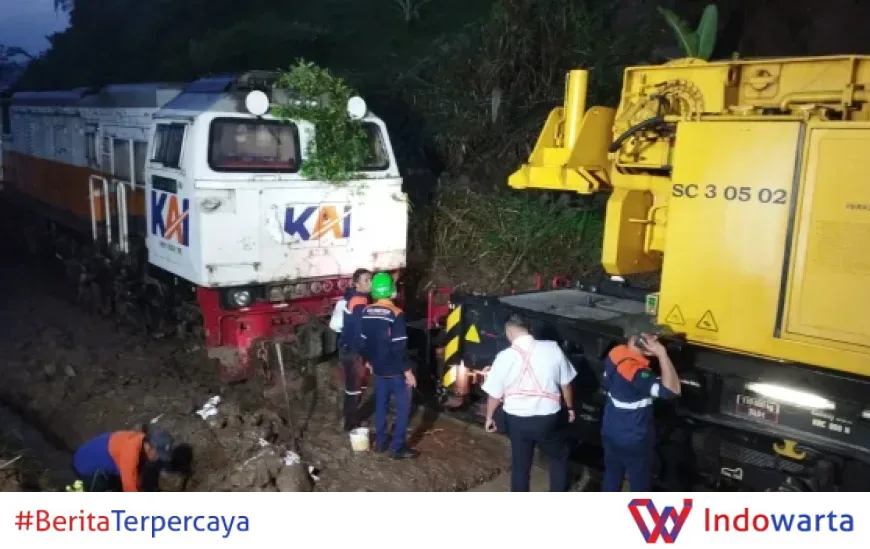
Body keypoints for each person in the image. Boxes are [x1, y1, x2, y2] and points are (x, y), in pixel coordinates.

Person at [481, 313, 577, 492]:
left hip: (516, 420)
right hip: (547, 419)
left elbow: (494, 395)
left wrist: (489, 417)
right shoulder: (553, 349)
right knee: (558, 457)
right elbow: (566, 384)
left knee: (520, 465)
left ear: (509, 333)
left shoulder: (504, 357)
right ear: (530, 329)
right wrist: (570, 408)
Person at [600, 332, 681, 492]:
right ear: (646, 345)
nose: (656, 339)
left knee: (612, 476)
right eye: (653, 338)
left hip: (610, 431)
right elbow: (672, 391)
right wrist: (662, 354)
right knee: (640, 484)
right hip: (634, 440)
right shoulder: (638, 374)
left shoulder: (616, 353)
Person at [358, 272, 419, 459]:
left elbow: (364, 342)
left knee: (381, 405)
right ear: (392, 290)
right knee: (402, 409)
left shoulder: (366, 312)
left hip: (378, 369)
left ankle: (380, 442)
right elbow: (399, 347)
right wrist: (408, 372)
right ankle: (397, 447)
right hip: (396, 371)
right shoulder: (396, 314)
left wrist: (368, 361)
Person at [72, 427, 173, 492]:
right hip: (85, 467)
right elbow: (129, 488)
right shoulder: (130, 452)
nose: (158, 458)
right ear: (148, 447)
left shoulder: (141, 439)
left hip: (99, 459)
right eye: (158, 454)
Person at [339, 268, 372, 432]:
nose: (370, 283)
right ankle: (350, 424)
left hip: (351, 349)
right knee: (354, 389)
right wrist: (366, 356)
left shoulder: (358, 298)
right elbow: (361, 333)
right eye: (366, 280)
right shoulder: (358, 303)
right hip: (354, 351)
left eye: (370, 279)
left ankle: (351, 418)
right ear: (356, 284)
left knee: (356, 387)